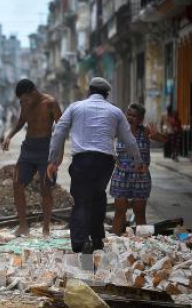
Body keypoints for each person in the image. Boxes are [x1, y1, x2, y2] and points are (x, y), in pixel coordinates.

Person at [47, 77, 145, 253]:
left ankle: (81, 242)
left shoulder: (75, 107)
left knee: (81, 201)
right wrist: (138, 162)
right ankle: (97, 238)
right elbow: (129, 140)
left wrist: (54, 160)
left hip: (82, 161)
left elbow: (59, 131)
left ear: (89, 91)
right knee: (98, 197)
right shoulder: (115, 112)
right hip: (104, 163)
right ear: (107, 95)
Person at [1, 79, 62, 236]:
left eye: (25, 99)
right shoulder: (25, 103)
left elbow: (61, 129)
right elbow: (22, 120)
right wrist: (9, 135)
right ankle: (23, 226)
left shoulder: (50, 103)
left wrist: (58, 154)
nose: (24, 102)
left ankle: (46, 228)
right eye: (21, 101)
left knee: (46, 188)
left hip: (46, 150)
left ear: (34, 92)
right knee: (17, 184)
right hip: (28, 148)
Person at [110, 103, 167, 235]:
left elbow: (165, 139)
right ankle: (116, 242)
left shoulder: (145, 131)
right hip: (121, 176)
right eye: (128, 114)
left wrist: (156, 134)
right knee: (119, 212)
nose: (130, 117)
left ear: (140, 119)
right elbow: (105, 142)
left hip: (140, 178)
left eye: (134, 116)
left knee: (140, 212)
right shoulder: (119, 130)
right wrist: (114, 160)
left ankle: (143, 247)